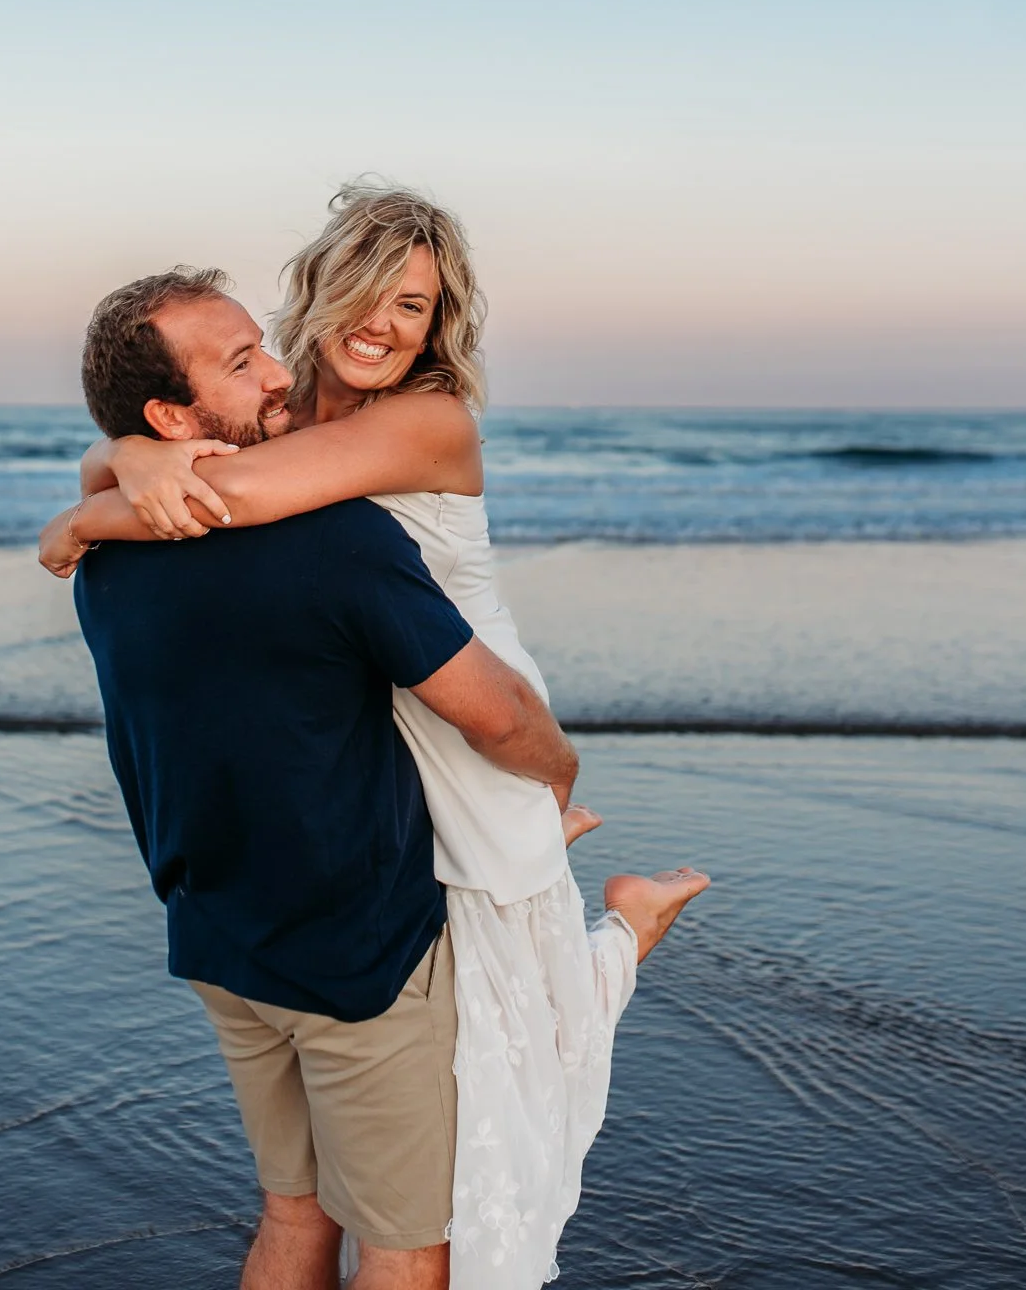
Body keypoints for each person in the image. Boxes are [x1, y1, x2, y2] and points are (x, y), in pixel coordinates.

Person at [43, 187, 709, 1289]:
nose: (387, 322)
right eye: (369, 289)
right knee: (490, 1017)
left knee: (514, 1026)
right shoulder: (284, 408)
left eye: (416, 304)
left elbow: (230, 496)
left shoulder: (428, 417)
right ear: (316, 286)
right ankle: (622, 914)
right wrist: (121, 460)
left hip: (471, 700)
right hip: (393, 696)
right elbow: (211, 476)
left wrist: (90, 503)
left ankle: (623, 916)